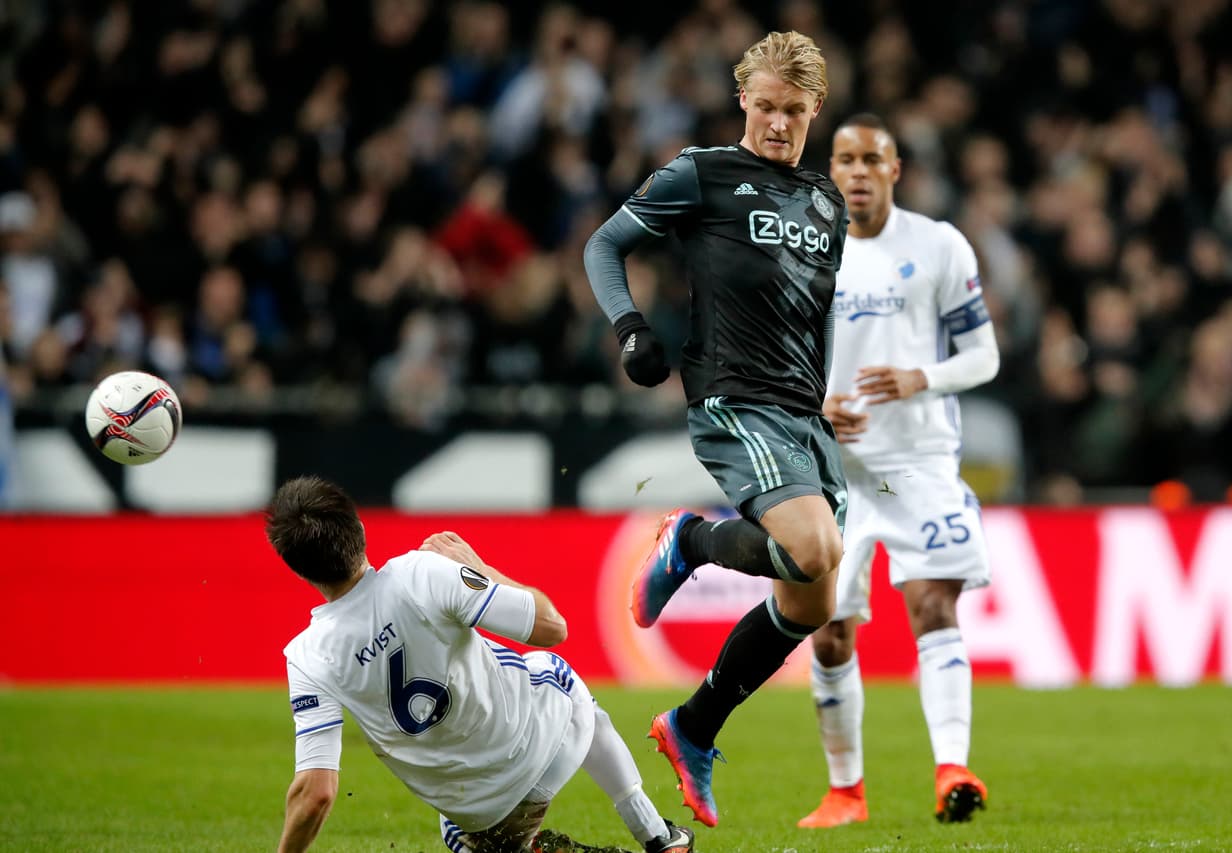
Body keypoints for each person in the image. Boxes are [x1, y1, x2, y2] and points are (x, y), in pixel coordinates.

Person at [584, 31, 849, 828]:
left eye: (793, 111)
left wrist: (825, 398)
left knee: (812, 603)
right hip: (735, 398)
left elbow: (819, 315)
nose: (777, 123)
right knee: (813, 549)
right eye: (765, 106)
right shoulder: (703, 173)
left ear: (814, 111)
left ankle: (692, 725)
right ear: (744, 99)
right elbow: (605, 244)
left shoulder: (826, 202)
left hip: (803, 413)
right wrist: (630, 327)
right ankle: (690, 543)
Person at [266, 476, 694, 853]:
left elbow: (316, 792)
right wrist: (479, 567)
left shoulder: (307, 658)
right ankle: (657, 837)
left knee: (455, 831)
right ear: (358, 528)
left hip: (484, 814)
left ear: (296, 570)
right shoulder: (421, 573)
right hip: (548, 745)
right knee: (551, 667)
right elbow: (552, 626)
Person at [796, 114, 999, 829]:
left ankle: (952, 767)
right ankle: (845, 791)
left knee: (932, 605)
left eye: (869, 159)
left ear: (895, 168)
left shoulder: (939, 244)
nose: (855, 171)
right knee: (827, 629)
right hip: (831, 467)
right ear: (832, 169)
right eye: (844, 159)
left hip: (917, 462)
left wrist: (922, 377)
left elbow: (984, 356)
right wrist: (815, 406)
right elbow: (778, 359)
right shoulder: (806, 248)